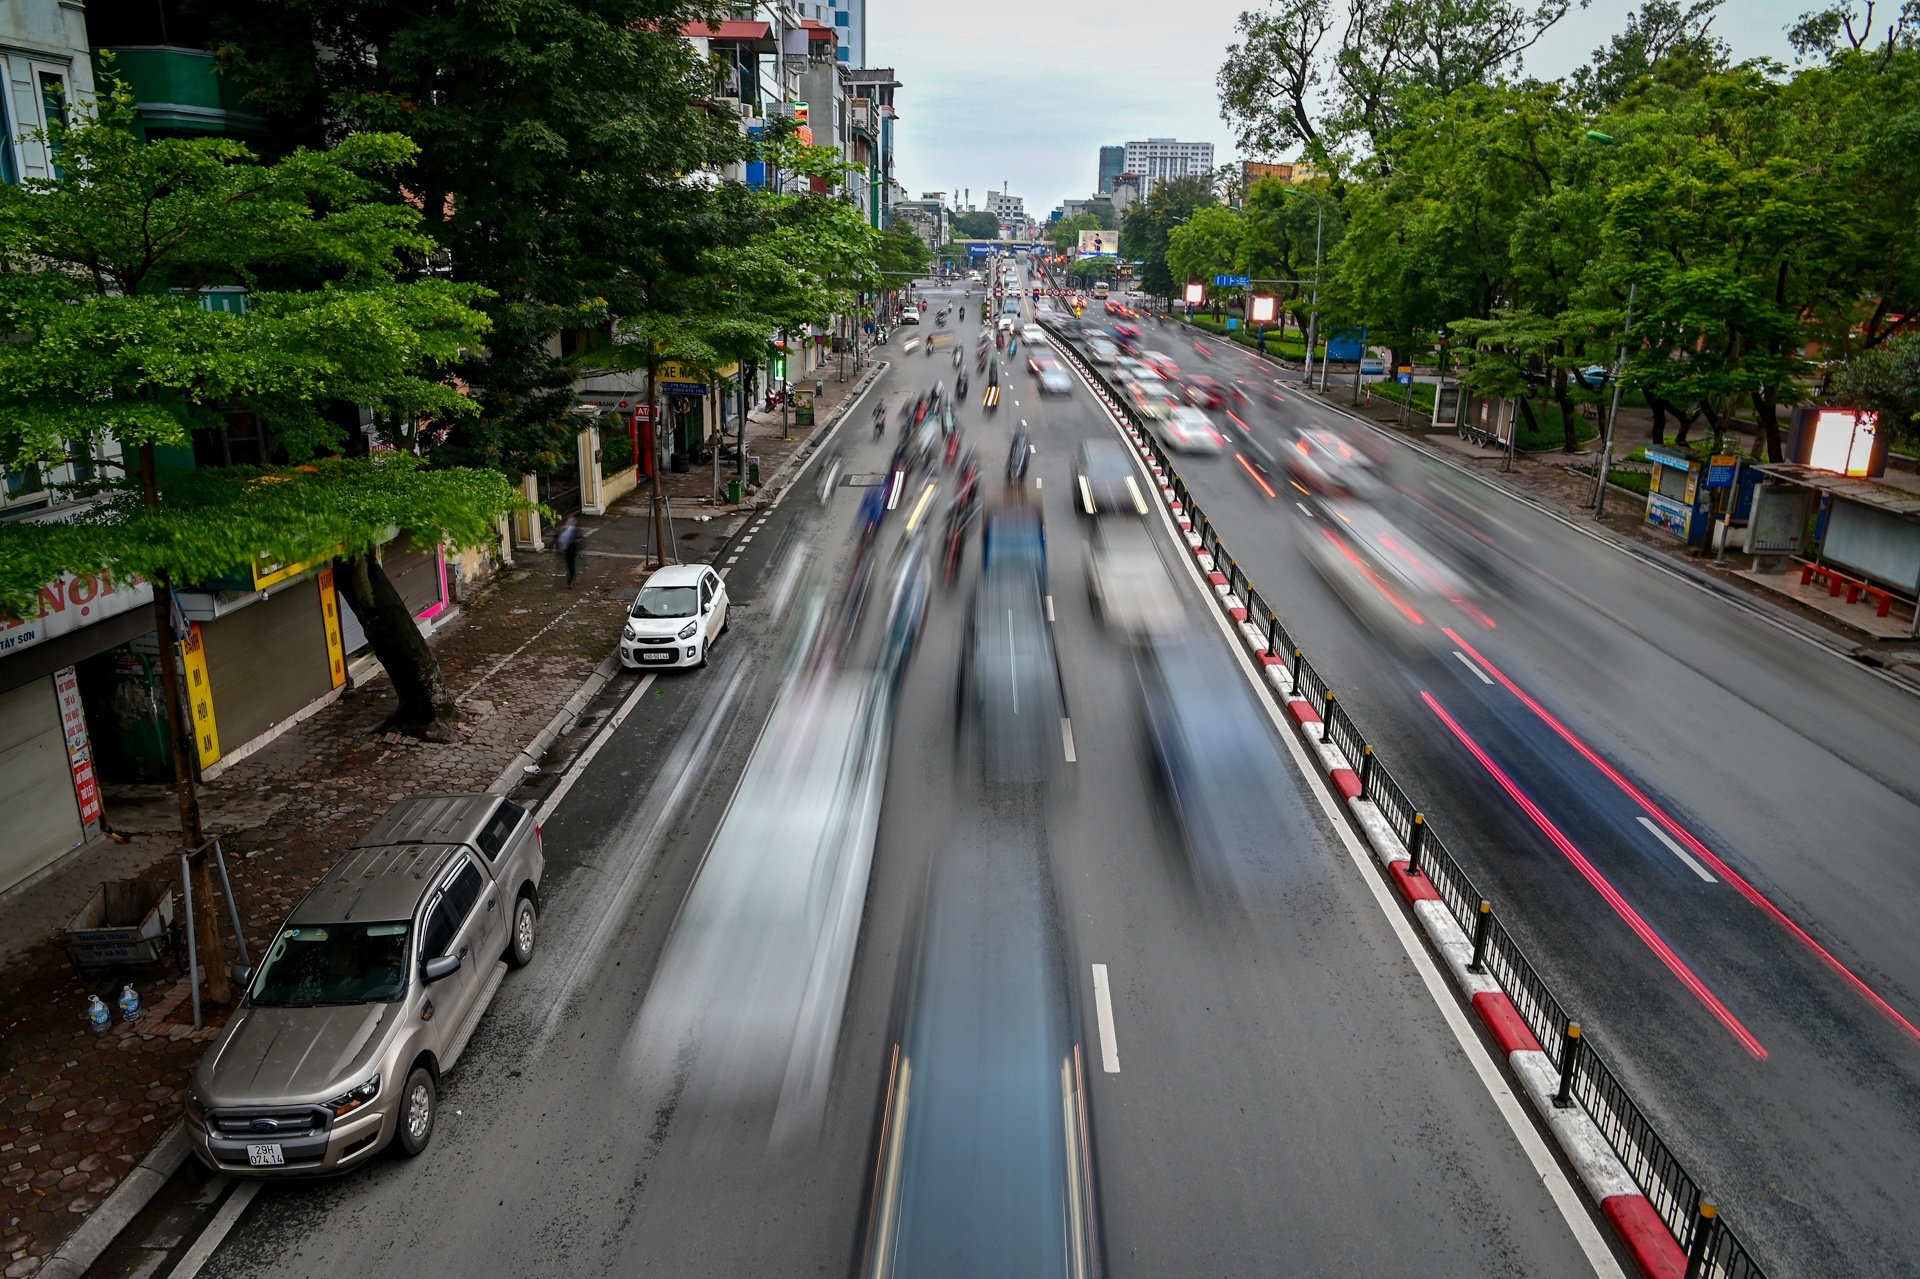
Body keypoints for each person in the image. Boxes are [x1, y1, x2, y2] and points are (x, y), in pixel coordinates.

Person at [556, 514, 581, 586]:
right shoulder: (564, 529)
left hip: (571, 548)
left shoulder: (573, 529)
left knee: (570, 564)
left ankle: (571, 578)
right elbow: (558, 538)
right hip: (567, 548)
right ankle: (572, 576)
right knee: (570, 564)